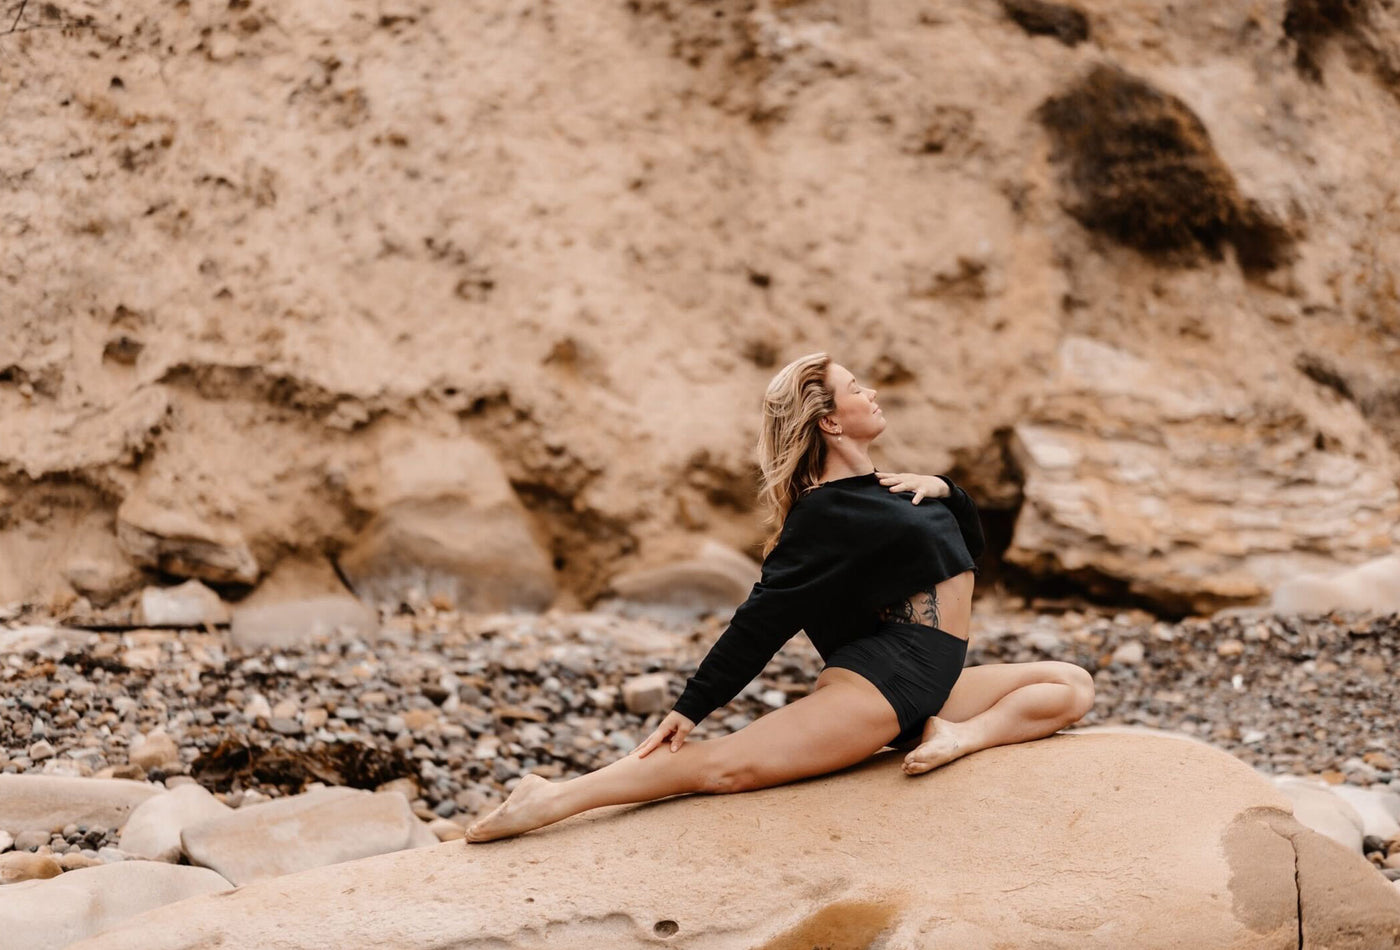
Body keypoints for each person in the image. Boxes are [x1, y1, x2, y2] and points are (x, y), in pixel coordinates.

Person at [464, 352, 1094, 843]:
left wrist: (947, 489)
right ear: (829, 420)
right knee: (722, 769)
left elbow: (971, 554)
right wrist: (692, 707)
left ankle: (958, 737)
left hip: (938, 681)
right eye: (856, 389)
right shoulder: (822, 513)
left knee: (1071, 686)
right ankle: (547, 798)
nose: (870, 393)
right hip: (883, 683)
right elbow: (765, 615)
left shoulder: (895, 487)